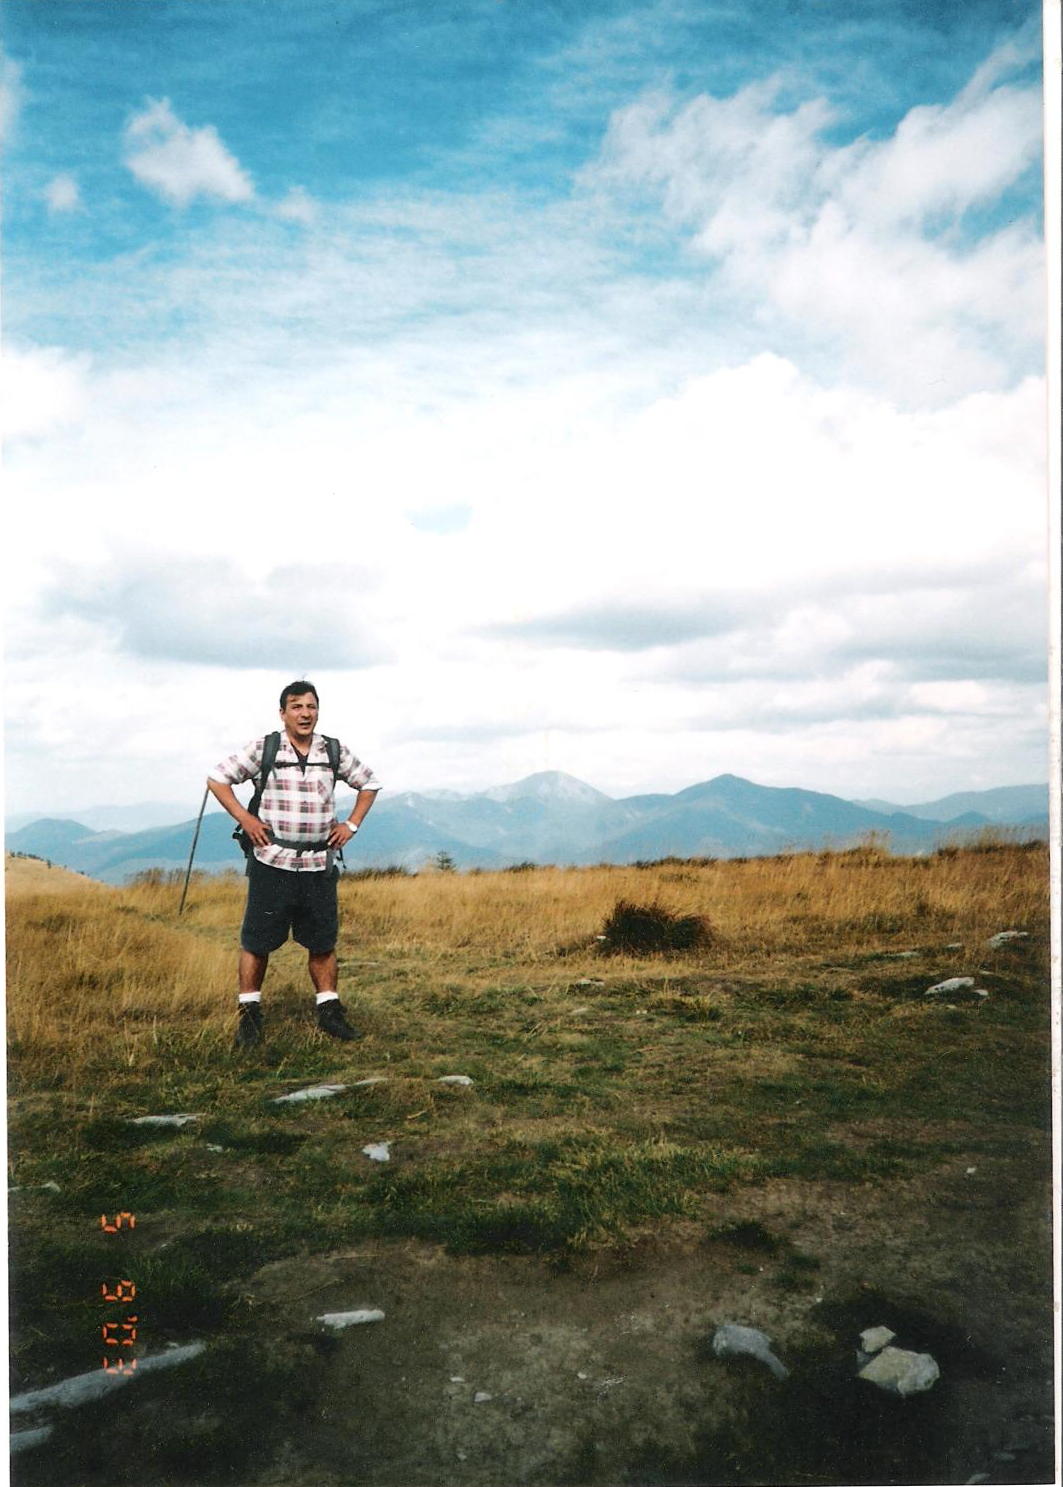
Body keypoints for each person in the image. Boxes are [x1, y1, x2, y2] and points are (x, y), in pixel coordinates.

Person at [207, 680, 381, 1049]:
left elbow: (369, 783)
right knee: (257, 942)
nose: (305, 714)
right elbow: (218, 779)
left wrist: (351, 825)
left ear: (318, 711)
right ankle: (249, 1017)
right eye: (296, 707)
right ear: (282, 713)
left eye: (311, 707)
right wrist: (246, 820)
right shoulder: (265, 747)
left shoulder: (332, 750)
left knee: (322, 942)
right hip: (271, 861)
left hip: (318, 864)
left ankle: (330, 1013)